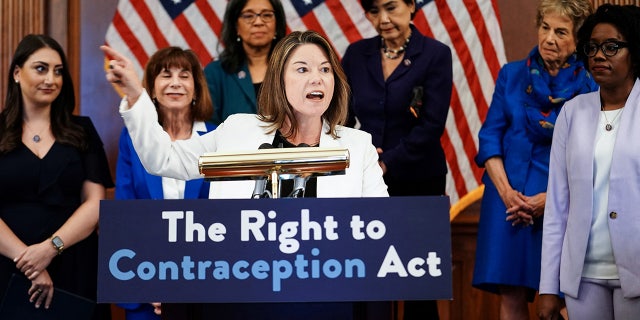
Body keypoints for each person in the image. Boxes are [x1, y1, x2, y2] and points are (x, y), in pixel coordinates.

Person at [102, 30, 388, 319]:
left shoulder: (357, 144)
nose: (317, 78)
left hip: (325, 295)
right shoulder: (237, 130)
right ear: (279, 80)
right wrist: (137, 96)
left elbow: (379, 227)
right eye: (303, 69)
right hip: (243, 295)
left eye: (325, 69)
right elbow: (163, 160)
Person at [471, 0, 597, 318]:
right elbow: (490, 137)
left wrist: (552, 200)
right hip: (507, 200)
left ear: (579, 39)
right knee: (511, 293)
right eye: (544, 27)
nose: (549, 38)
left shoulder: (592, 85)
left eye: (561, 31)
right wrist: (506, 194)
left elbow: (595, 153)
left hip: (563, 202)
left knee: (562, 295)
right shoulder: (512, 75)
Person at [341, 0, 452, 318]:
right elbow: (342, 117)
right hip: (367, 178)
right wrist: (361, 154)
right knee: (368, 274)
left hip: (420, 178)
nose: (384, 19)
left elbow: (432, 125)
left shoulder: (435, 54)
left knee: (417, 284)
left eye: (391, 7)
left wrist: (387, 160)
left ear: (411, 5)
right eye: (374, 11)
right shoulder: (356, 54)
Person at [0, 34, 113, 319]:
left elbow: (94, 202)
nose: (51, 78)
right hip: (8, 264)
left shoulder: (82, 130)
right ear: (17, 73)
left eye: (58, 71)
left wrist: (50, 249)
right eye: (41, 68)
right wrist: (29, 261)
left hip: (74, 263)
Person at [538, 4, 640, 319]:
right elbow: (557, 205)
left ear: (634, 51)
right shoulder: (572, 112)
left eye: (612, 47)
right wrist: (548, 287)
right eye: (592, 47)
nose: (599, 55)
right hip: (582, 276)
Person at [114, 46, 216, 320]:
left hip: (208, 283)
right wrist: (148, 282)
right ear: (152, 89)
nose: (175, 83)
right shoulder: (133, 139)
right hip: (145, 282)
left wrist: (186, 286)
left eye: (185, 75)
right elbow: (124, 217)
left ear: (196, 88)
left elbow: (228, 222)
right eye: (165, 75)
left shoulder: (217, 139)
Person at [204, 0, 286, 125]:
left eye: (267, 15)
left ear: (277, 24)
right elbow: (207, 127)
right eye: (248, 16)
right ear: (236, 26)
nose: (258, 22)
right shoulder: (215, 73)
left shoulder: (292, 68)